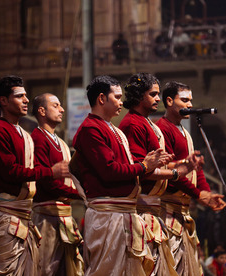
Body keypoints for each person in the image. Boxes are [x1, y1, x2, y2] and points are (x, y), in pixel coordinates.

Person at [70, 75, 173, 275]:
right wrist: (144, 166)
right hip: (107, 215)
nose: (121, 102)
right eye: (116, 97)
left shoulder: (112, 128)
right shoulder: (91, 129)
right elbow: (110, 171)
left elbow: (124, 166)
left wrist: (147, 164)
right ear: (101, 99)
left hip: (121, 214)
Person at [0, 75, 70, 275]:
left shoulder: (22, 132)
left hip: (24, 215)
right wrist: (51, 172)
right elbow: (10, 171)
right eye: (19, 96)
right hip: (8, 217)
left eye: (26, 96)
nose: (26, 100)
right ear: (3, 101)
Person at [119, 73, 205, 275]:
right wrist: (176, 172)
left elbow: (155, 164)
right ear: (140, 96)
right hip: (143, 208)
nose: (158, 98)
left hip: (153, 209)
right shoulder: (133, 123)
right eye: (153, 94)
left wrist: (180, 168)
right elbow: (142, 170)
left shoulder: (145, 122)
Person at [156, 81, 226, 275]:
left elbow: (196, 169)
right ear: (169, 101)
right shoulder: (162, 128)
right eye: (184, 100)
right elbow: (171, 174)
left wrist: (206, 194)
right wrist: (197, 194)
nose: (189, 105)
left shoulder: (185, 132)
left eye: (191, 101)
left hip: (183, 210)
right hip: (167, 210)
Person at [31, 93, 84, 275]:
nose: (61, 109)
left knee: (66, 268)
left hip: (64, 214)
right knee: (45, 268)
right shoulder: (37, 138)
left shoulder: (60, 141)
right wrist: (80, 194)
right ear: (42, 111)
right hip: (47, 216)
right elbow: (46, 182)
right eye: (56, 105)